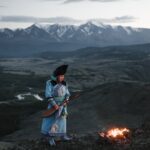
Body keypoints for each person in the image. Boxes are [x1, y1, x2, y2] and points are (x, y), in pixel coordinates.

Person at [41, 65, 72, 146]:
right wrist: (54, 105)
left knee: (62, 121)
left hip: (63, 105)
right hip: (53, 105)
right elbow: (48, 94)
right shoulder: (49, 83)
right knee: (52, 121)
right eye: (60, 76)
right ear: (56, 76)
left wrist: (66, 100)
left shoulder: (65, 83)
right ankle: (51, 138)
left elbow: (67, 93)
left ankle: (62, 135)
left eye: (63, 76)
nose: (62, 77)